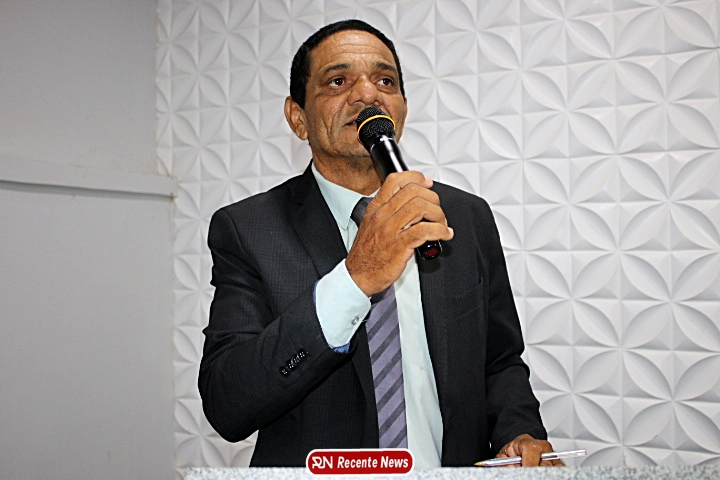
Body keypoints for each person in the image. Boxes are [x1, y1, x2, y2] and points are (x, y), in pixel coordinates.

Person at [199, 19, 559, 468]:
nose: (368, 94)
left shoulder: (464, 216)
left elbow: (500, 361)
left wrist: (519, 432)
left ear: (402, 108)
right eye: (338, 81)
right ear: (298, 118)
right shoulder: (248, 230)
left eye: (385, 81)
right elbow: (228, 404)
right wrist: (355, 279)